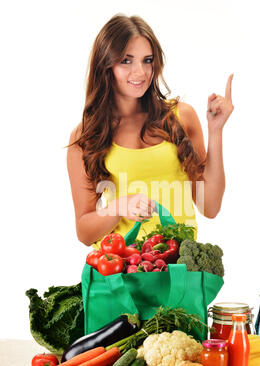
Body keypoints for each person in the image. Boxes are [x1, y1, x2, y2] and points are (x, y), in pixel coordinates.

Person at [67, 14, 234, 249]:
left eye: (147, 60)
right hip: (121, 270)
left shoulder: (180, 118)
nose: (141, 72)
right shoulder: (86, 136)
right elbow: (84, 232)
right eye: (126, 61)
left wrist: (215, 131)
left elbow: (211, 207)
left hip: (177, 270)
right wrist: (119, 207)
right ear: (106, 64)